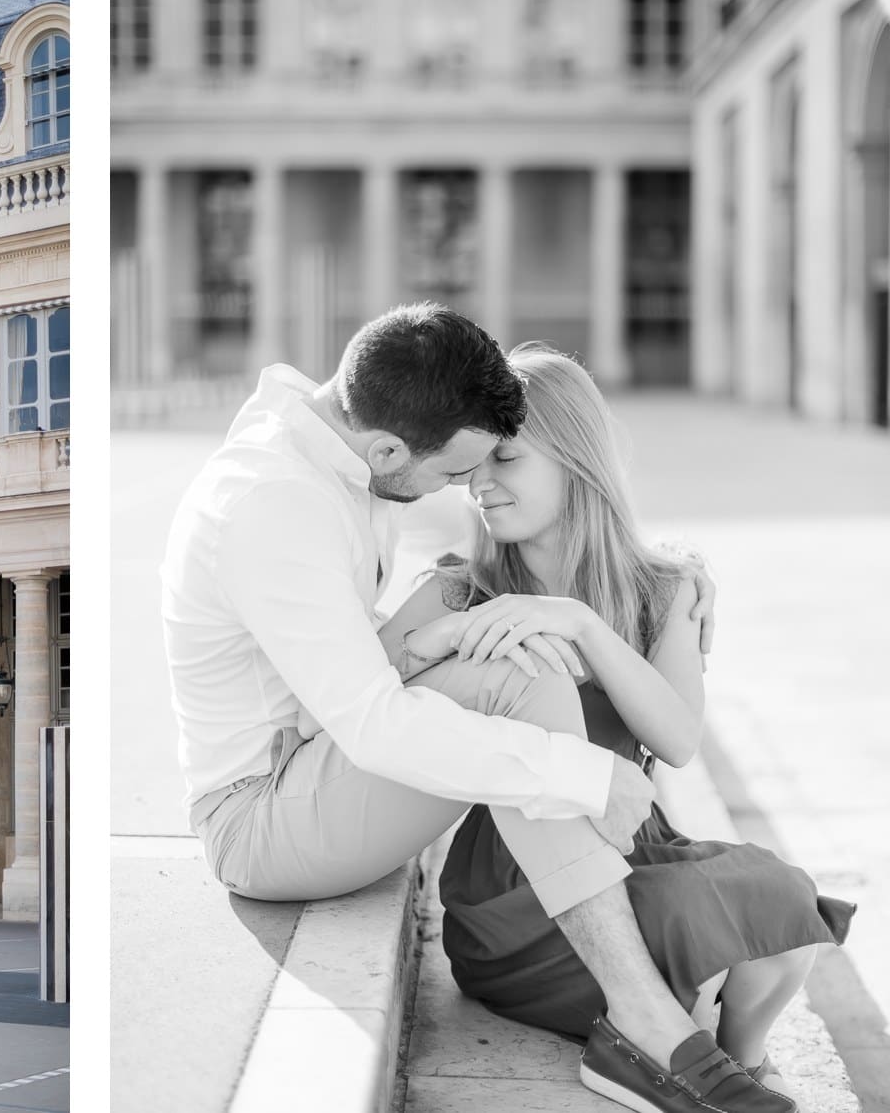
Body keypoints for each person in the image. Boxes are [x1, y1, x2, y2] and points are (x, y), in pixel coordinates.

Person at [161, 301, 794, 1113]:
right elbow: (370, 722)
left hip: (319, 778)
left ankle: (666, 1025)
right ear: (386, 449)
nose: (461, 492)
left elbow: (673, 734)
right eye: (454, 473)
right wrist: (584, 773)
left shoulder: (338, 465)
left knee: (771, 909)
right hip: (264, 813)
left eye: (489, 466)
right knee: (517, 671)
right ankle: (642, 1021)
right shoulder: (275, 499)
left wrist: (458, 642)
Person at [377, 345, 852, 1106]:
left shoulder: (661, 589)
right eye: (472, 471)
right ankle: (692, 1050)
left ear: (576, 460)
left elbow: (676, 740)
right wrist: (434, 639)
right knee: (717, 916)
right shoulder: (461, 590)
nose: (482, 487)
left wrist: (580, 626)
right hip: (517, 885)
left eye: (507, 459)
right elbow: (360, 686)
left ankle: (729, 1064)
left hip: (639, 850)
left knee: (784, 908)